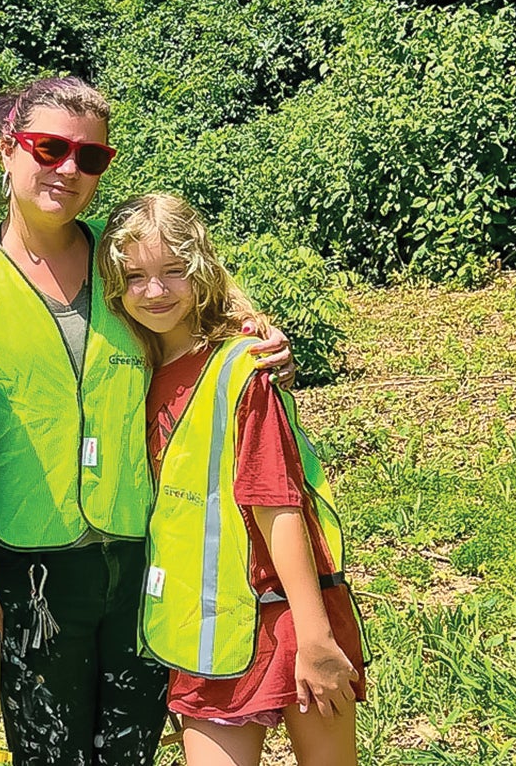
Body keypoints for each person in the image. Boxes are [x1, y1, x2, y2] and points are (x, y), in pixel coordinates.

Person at [0, 76, 293, 766]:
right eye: (49, 149)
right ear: (4, 150)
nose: (68, 169)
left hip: (143, 557)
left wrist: (261, 331)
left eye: (91, 157)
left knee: (129, 755)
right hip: (26, 567)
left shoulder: (129, 256)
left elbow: (214, 315)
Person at [99, 193, 366, 766]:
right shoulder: (134, 369)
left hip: (288, 613)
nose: (156, 290)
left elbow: (277, 501)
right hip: (208, 627)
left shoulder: (243, 366)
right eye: (137, 275)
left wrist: (316, 638)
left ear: (201, 271)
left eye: (174, 271)